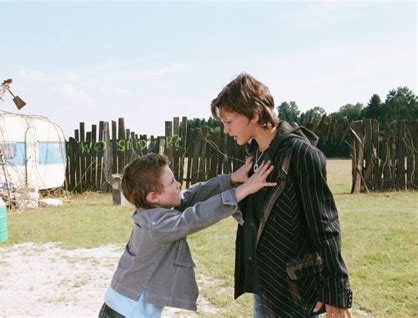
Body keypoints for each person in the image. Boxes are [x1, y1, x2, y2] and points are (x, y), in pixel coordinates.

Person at [210, 73, 353, 317]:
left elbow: (325, 227)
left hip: (295, 293)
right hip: (265, 285)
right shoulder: (256, 155)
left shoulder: (300, 154)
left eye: (229, 121)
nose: (225, 130)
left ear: (254, 114)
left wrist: (335, 292)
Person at [99, 153, 277, 317]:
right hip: (125, 313)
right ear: (154, 197)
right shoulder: (156, 226)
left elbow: (191, 196)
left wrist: (231, 179)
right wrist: (243, 190)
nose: (178, 185)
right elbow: (195, 217)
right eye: (172, 182)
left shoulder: (155, 211)